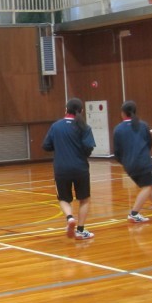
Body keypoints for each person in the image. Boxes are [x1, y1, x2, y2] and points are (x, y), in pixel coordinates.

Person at [42, 98, 96, 240]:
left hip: (61, 168)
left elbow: (46, 146)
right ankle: (80, 230)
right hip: (80, 168)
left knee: (63, 198)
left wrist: (60, 147)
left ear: (66, 109)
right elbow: (89, 148)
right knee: (84, 199)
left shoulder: (56, 126)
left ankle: (70, 218)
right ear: (81, 111)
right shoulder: (84, 127)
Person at [114, 101, 152, 223]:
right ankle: (134, 213)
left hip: (129, 165)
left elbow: (117, 151)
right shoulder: (143, 125)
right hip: (143, 162)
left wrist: (125, 161)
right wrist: (143, 155)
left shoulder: (118, 129)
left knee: (148, 185)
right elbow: (149, 142)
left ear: (123, 113)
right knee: (148, 187)